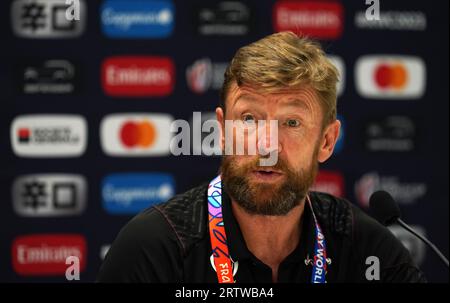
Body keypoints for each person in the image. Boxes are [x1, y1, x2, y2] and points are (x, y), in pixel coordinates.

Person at [97, 32, 425, 283]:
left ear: (326, 141)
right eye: (250, 120)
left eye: (291, 123)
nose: (267, 146)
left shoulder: (366, 249)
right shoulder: (153, 249)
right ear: (222, 131)